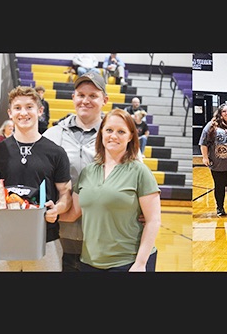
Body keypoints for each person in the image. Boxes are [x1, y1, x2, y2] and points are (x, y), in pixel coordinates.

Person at [59, 108, 161, 272]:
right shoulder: (88, 171)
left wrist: (141, 263)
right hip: (89, 262)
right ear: (101, 134)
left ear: (130, 137)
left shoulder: (140, 172)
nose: (113, 136)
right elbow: (72, 214)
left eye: (121, 131)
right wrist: (40, 215)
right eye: (109, 130)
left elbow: (153, 220)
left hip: (129, 262)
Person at [0, 86, 72, 272]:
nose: (23, 113)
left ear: (40, 111)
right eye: (17, 108)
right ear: (10, 113)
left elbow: (65, 193)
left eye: (29, 107)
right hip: (4, 239)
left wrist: (58, 208)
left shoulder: (56, 152)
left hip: (45, 241)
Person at [42, 70, 108, 272]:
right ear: (73, 98)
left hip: (103, 238)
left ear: (104, 99)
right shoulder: (52, 135)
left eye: (93, 96)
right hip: (59, 236)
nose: (85, 101)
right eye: (81, 95)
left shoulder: (116, 134)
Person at [199, 102, 227, 216]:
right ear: (220, 113)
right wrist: (205, 157)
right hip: (218, 163)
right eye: (224, 111)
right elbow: (203, 143)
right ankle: (220, 208)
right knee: (219, 186)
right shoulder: (211, 126)